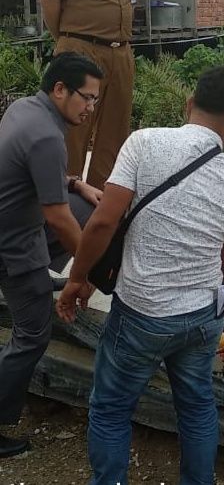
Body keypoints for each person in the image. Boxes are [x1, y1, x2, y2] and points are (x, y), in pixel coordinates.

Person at [56, 66, 224, 485]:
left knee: (111, 409)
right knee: (198, 408)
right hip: (203, 319)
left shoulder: (144, 143)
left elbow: (103, 222)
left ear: (189, 104)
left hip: (142, 315)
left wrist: (77, 279)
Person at [0, 52, 104, 457]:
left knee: (90, 208)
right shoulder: (47, 136)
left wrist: (76, 183)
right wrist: (88, 268)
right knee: (32, 333)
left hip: (13, 219)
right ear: (60, 89)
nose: (91, 108)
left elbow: (29, 170)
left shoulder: (26, 109)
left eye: (96, 100)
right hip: (11, 244)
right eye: (86, 98)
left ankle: (49, 274)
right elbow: (58, 219)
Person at [40, 0, 138, 190]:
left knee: (115, 131)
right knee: (74, 127)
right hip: (81, 50)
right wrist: (67, 41)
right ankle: (64, 197)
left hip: (120, 52)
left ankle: (101, 202)